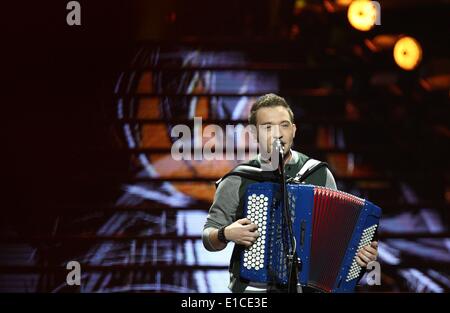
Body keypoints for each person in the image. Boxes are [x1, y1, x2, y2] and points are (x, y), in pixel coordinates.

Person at [202, 93, 378, 293]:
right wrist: (225, 234)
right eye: (268, 127)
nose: (278, 133)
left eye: (284, 125)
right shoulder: (237, 179)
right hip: (253, 291)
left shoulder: (319, 174)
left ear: (294, 130)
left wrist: (360, 256)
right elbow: (209, 238)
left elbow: (337, 243)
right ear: (253, 133)